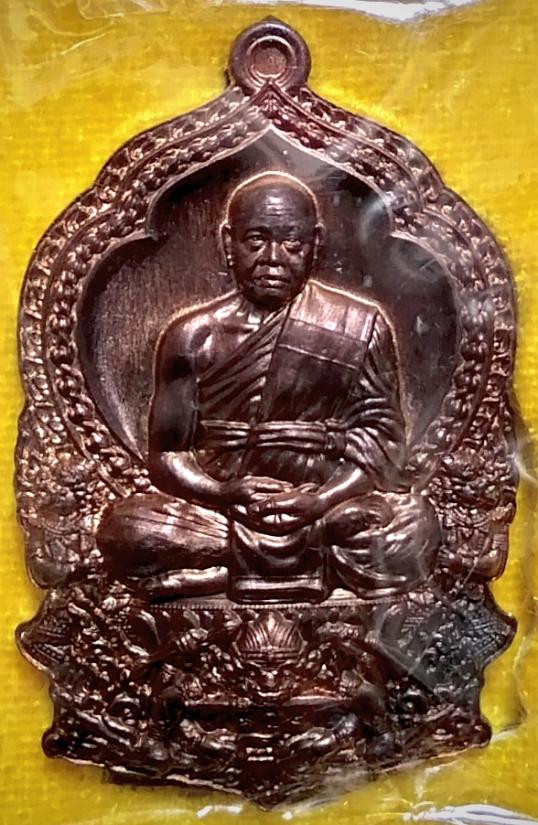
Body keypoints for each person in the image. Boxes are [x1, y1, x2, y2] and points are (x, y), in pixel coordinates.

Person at [98, 171, 438, 602]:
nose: (273, 258)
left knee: (416, 526)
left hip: (328, 511)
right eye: (256, 241)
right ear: (228, 243)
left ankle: (223, 571)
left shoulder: (361, 325)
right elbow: (167, 454)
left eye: (292, 243)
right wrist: (223, 492)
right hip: (225, 514)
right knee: (126, 529)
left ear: (315, 244)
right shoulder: (192, 336)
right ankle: (310, 565)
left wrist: (322, 501)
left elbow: (381, 445)